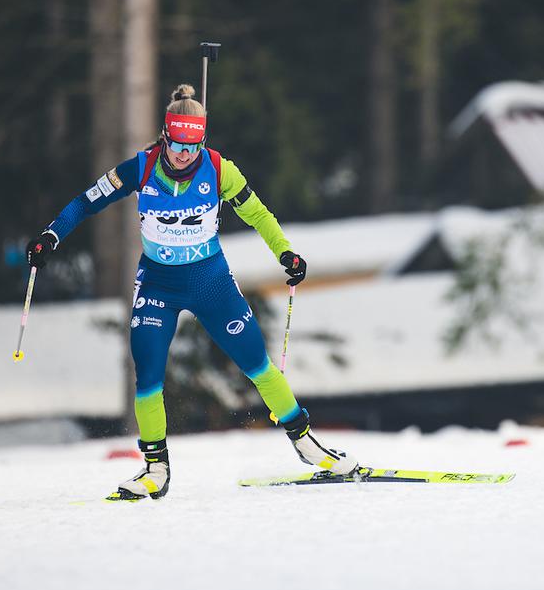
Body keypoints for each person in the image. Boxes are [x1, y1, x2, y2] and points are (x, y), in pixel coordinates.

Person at [26, 84, 357, 499]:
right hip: (158, 285)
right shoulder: (141, 168)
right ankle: (155, 468)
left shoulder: (219, 169)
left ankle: (308, 445)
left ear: (202, 140)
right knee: (147, 375)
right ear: (165, 137)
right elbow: (86, 201)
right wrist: (51, 236)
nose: (185, 154)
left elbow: (257, 214)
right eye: (178, 144)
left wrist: (286, 253)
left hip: (210, 281)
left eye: (193, 145)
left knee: (257, 364)